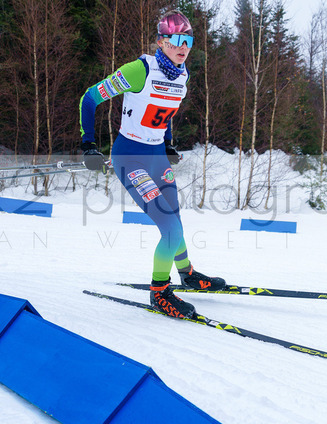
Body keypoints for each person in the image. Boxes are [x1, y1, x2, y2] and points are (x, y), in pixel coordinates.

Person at [79, 10, 226, 319]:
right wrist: (88, 144)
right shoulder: (139, 70)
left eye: (188, 41)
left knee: (175, 220)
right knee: (170, 228)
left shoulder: (182, 75)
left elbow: (165, 111)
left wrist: (168, 142)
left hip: (157, 156)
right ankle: (159, 292)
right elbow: (89, 99)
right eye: (177, 40)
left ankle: (187, 273)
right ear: (161, 41)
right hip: (130, 158)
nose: (183, 47)